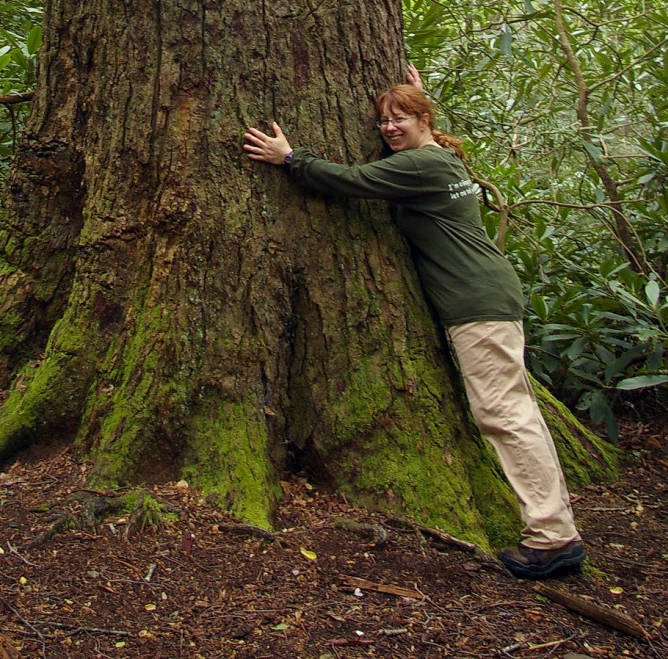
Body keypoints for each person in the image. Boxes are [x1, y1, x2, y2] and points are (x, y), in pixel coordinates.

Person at [243, 71, 585, 580]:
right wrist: (415, 88)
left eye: (400, 117)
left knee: (504, 415)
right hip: (483, 296)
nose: (388, 128)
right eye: (383, 120)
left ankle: (553, 537)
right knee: (513, 411)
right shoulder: (439, 158)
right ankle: (555, 529)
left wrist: (292, 159)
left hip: (478, 303)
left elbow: (356, 182)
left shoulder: (423, 163)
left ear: (424, 119)